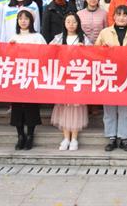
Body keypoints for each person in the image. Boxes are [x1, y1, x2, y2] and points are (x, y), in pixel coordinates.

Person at [95, 5, 127, 152]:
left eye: (125, 15)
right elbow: (95, 52)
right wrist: (103, 50)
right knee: (109, 108)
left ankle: (124, 138)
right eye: (119, 15)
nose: (122, 18)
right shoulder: (104, 33)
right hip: (109, 75)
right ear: (114, 17)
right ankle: (111, 138)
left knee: (125, 109)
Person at [50, 13, 90, 151]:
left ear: (78, 24)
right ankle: (66, 137)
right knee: (64, 107)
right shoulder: (58, 38)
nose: (71, 24)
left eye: (74, 22)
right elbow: (48, 51)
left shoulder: (84, 38)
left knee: (76, 107)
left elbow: (92, 55)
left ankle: (74, 138)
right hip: (63, 77)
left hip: (77, 77)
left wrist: (84, 50)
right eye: (68, 21)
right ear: (64, 23)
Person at [8, 10, 47, 150]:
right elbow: (8, 58)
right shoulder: (13, 37)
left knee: (31, 107)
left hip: (32, 76)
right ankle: (20, 135)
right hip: (17, 77)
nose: (23, 21)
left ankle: (30, 135)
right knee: (17, 107)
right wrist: (11, 48)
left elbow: (45, 54)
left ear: (31, 21)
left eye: (26, 18)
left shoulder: (37, 37)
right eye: (20, 18)